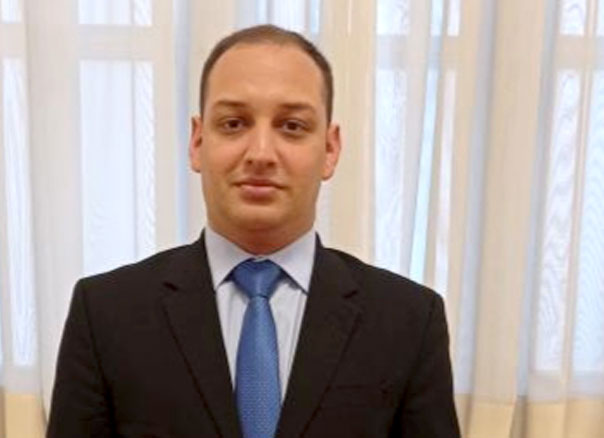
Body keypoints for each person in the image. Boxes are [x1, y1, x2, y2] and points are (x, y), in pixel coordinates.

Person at [47, 24, 460, 438]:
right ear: (197, 142)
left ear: (330, 149)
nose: (261, 153)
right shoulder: (105, 315)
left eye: (292, 126)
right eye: (233, 123)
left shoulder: (409, 321)